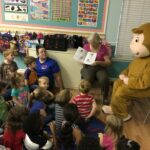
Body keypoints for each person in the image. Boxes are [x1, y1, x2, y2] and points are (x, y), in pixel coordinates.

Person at [81, 33, 111, 104]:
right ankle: (85, 97)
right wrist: (83, 62)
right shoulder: (86, 46)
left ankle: (105, 96)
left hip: (100, 68)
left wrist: (98, 62)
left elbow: (108, 62)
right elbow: (81, 59)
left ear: (98, 42)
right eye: (91, 43)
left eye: (94, 43)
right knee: (88, 79)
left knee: (104, 79)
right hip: (88, 67)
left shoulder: (103, 48)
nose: (92, 45)